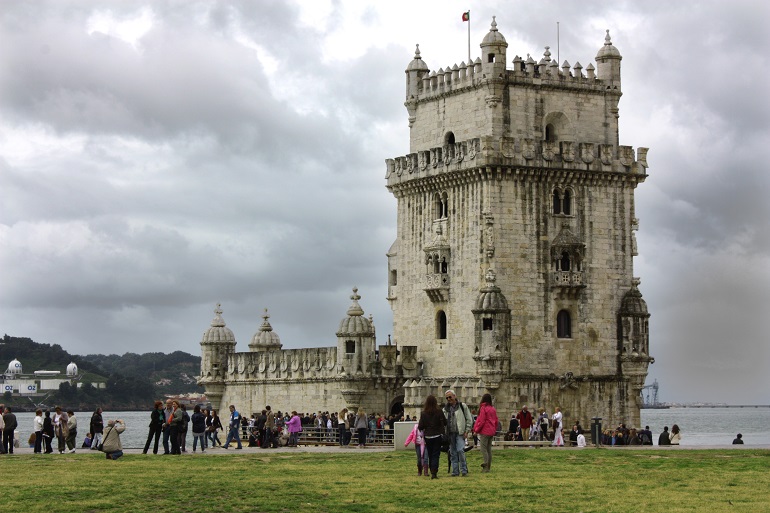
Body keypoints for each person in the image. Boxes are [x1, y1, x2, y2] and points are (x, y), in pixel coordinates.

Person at [443, 389, 473, 477]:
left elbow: (469, 419)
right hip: (450, 433)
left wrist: (467, 431)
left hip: (460, 433)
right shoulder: (445, 409)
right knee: (453, 453)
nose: (448, 399)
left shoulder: (462, 406)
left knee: (460, 450)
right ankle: (455, 472)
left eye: (450, 397)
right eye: (447, 398)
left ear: (454, 396)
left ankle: (464, 470)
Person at [418, 395, 447, 480]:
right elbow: (445, 422)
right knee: (436, 454)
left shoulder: (423, 413)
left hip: (428, 436)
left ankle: (432, 471)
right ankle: (434, 472)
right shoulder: (439, 411)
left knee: (430, 454)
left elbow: (420, 426)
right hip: (437, 435)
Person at [473, 393, 499, 473]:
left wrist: (476, 430)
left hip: (485, 431)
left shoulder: (483, 408)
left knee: (483, 449)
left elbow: (482, 421)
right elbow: (496, 421)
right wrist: (494, 429)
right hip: (491, 431)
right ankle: (488, 467)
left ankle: (486, 466)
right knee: (489, 450)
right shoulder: (493, 409)